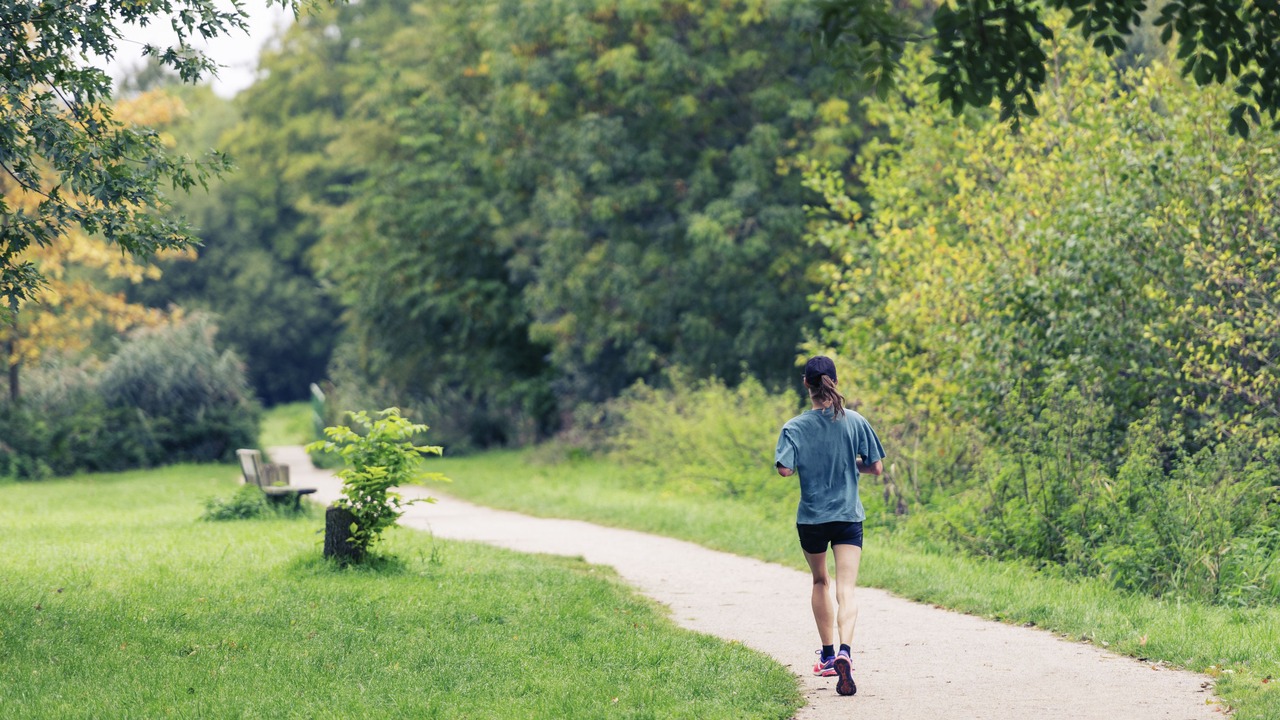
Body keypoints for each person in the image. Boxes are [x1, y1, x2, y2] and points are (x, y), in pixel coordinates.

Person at [774, 355, 884, 697]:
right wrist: (849, 463)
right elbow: (876, 468)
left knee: (821, 580)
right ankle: (846, 652)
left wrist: (810, 459)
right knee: (846, 588)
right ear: (834, 381)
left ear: (806, 384)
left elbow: (785, 470)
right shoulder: (855, 421)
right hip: (848, 516)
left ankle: (826, 656)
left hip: (812, 518)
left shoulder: (794, 427)